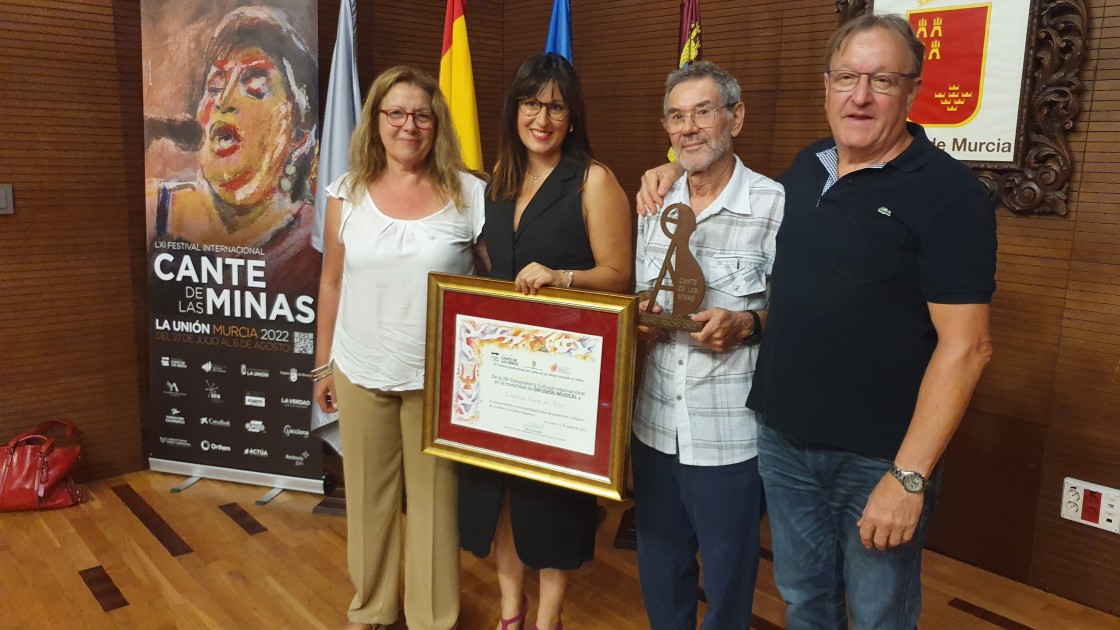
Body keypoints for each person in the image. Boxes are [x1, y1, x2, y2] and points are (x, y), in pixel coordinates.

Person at [639, 14, 997, 630]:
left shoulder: (950, 195)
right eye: (846, 77)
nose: (860, 95)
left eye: (882, 79)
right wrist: (678, 169)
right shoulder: (806, 173)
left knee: (879, 614)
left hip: (874, 459)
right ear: (826, 85)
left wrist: (907, 478)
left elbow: (968, 349)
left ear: (913, 90)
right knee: (806, 605)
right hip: (782, 444)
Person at [457, 53, 633, 630]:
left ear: (572, 117)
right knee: (502, 492)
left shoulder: (593, 180)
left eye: (556, 107)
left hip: (564, 379)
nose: (543, 117)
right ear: (514, 111)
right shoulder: (497, 185)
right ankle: (512, 610)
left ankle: (547, 619)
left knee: (553, 502)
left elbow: (619, 275)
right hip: (502, 372)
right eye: (532, 104)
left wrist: (561, 278)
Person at [313, 66, 486, 630]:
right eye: (396, 113)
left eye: (421, 114)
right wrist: (323, 367)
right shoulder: (348, 193)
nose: (408, 125)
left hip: (438, 380)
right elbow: (332, 282)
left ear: (436, 125)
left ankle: (433, 618)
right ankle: (371, 610)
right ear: (376, 121)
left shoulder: (471, 195)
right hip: (360, 369)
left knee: (436, 509)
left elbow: (492, 288)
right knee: (368, 502)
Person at [631, 61, 784, 630]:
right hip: (653, 425)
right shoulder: (653, 202)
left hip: (729, 436)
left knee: (727, 582)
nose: (688, 128)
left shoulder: (774, 205)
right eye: (676, 116)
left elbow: (794, 315)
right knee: (661, 569)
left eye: (703, 112)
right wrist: (641, 322)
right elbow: (641, 295)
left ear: (735, 118)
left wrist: (746, 324)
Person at [146, 6, 320, 296]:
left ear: (298, 135)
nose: (223, 102)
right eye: (214, 86)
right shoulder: (154, 209)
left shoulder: (312, 239)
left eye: (254, 86)